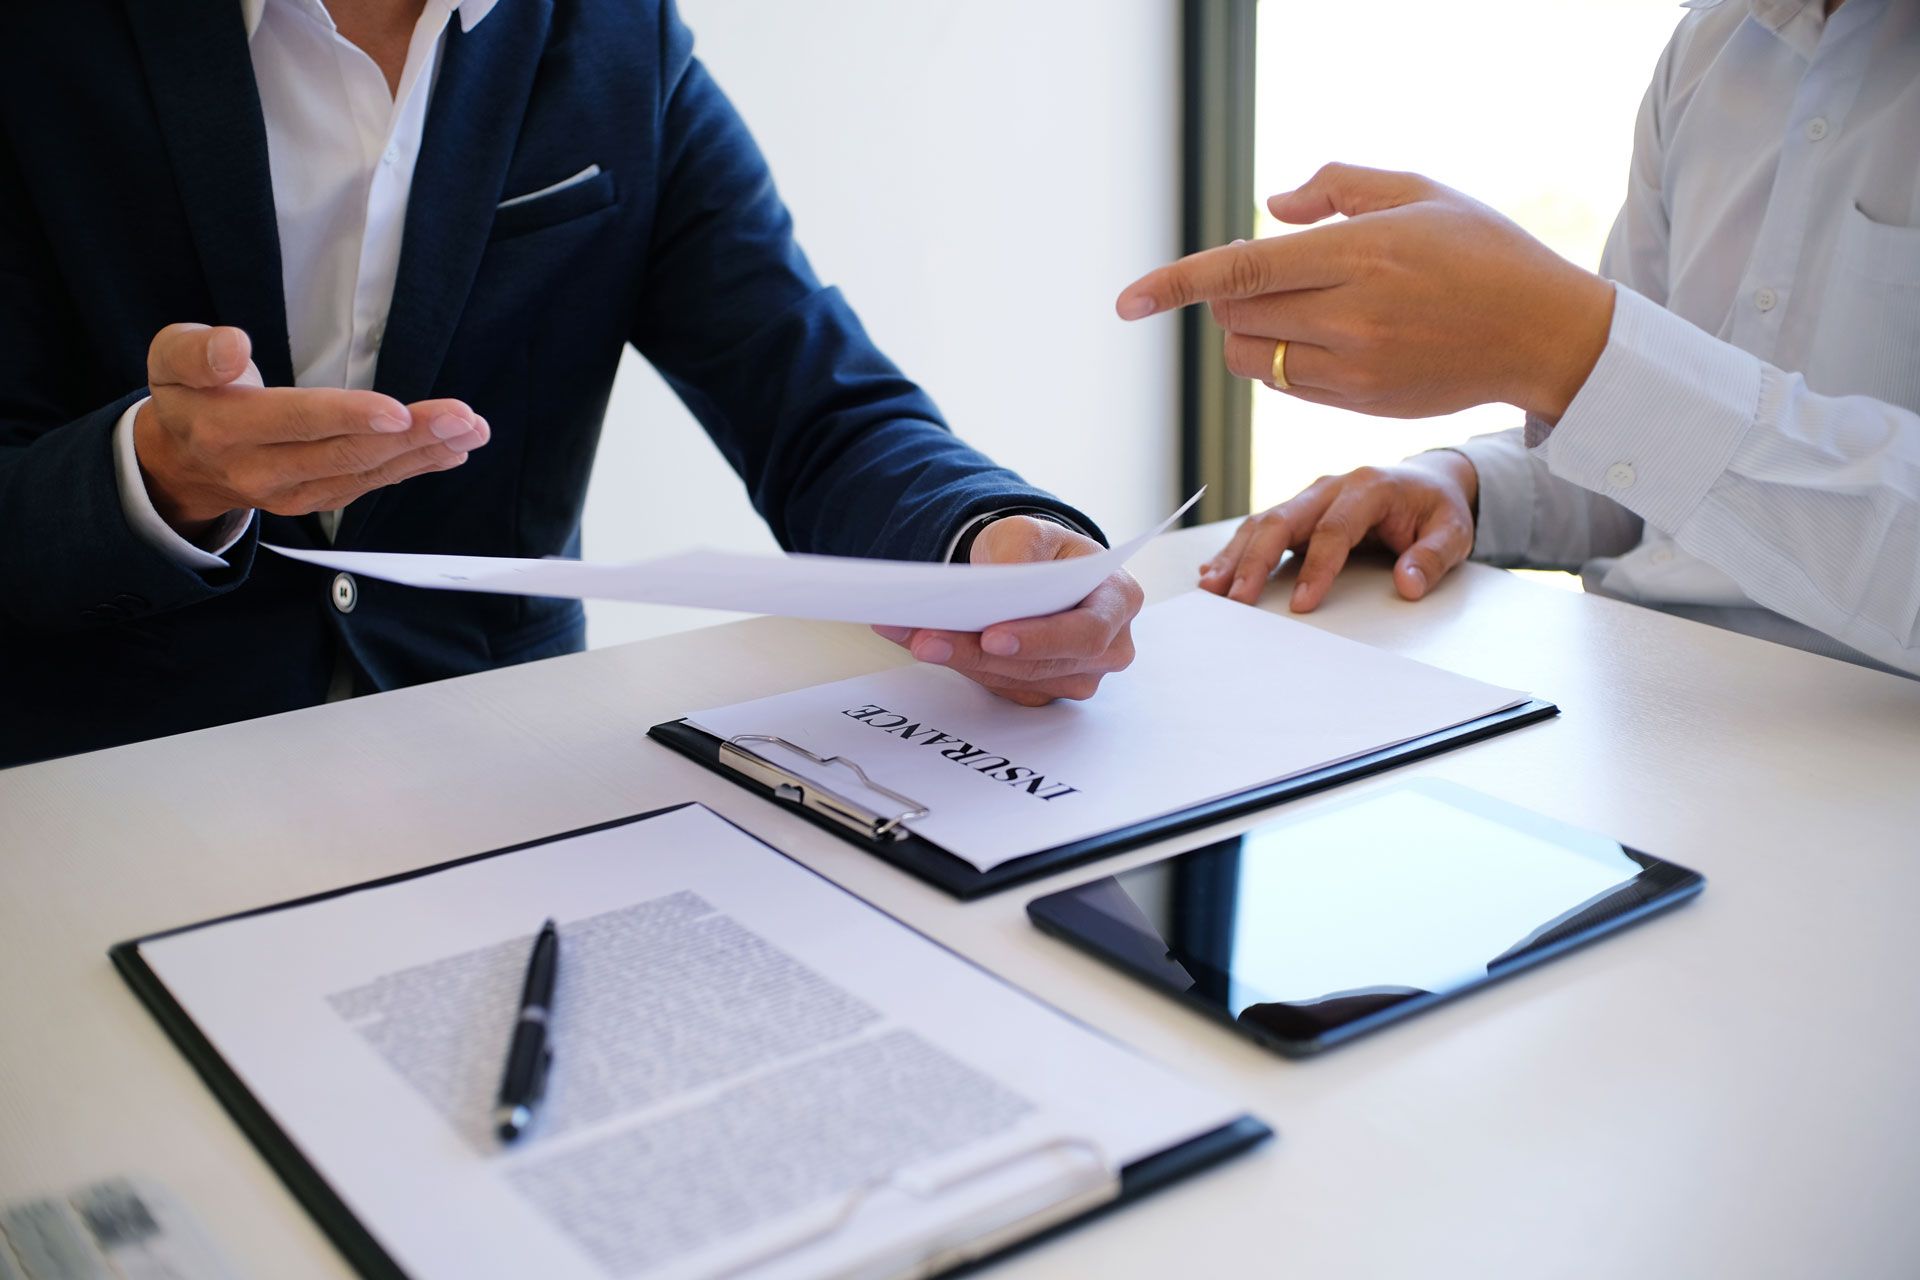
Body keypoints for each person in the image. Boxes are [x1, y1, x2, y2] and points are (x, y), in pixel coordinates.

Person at [0, 0, 1141, 768]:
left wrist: (988, 536)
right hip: (115, 772)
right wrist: (153, 477)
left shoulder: (615, 34)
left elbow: (813, 397)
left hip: (506, 764)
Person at [1117, 0, 1919, 678]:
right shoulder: (1712, 55)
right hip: (1637, 697)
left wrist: (1567, 348)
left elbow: (1640, 404)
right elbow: (1651, 459)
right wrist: (1463, 486)